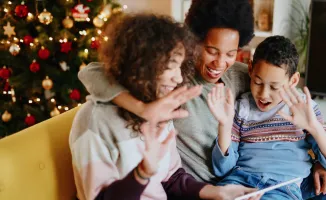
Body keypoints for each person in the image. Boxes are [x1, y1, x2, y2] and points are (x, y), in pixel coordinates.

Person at [77, 0, 326, 199]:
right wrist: (145, 109)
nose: (221, 63)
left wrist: (325, 158)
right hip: (215, 183)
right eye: (211, 50)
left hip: (257, 181)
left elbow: (280, 87)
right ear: (192, 41)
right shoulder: (170, 81)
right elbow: (92, 71)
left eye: (231, 53)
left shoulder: (243, 76)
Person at [69, 13, 262, 200]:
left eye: (179, 67)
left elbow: (171, 177)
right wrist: (142, 174)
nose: (178, 78)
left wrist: (217, 192)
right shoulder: (95, 121)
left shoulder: (160, 109)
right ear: (141, 66)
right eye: (170, 67)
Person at [207, 35, 326, 199]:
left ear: (293, 80)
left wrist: (314, 128)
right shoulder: (241, 107)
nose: (263, 94)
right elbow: (223, 170)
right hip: (240, 182)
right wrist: (224, 127)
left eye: (274, 87)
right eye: (258, 82)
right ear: (251, 69)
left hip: (282, 187)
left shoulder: (303, 108)